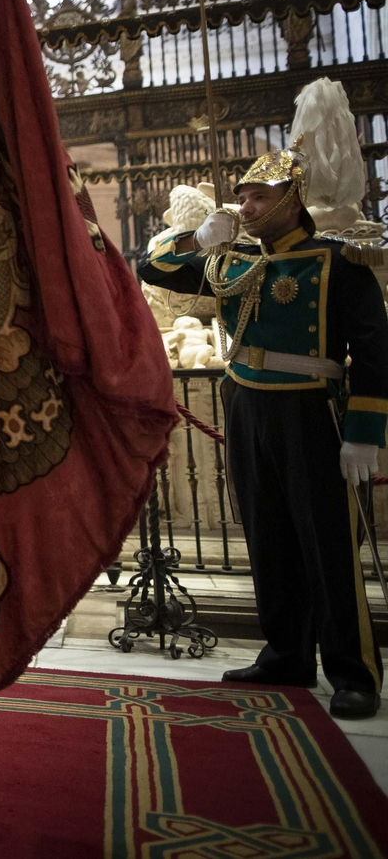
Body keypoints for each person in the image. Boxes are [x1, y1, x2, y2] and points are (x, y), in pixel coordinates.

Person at [139, 145, 387, 719]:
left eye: (259, 197)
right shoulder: (233, 259)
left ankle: (353, 672)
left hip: (312, 412)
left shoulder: (336, 260)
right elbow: (150, 268)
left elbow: (374, 353)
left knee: (328, 548)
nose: (246, 207)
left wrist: (363, 432)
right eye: (243, 197)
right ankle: (286, 655)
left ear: (292, 202)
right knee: (267, 538)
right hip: (246, 403)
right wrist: (200, 237)